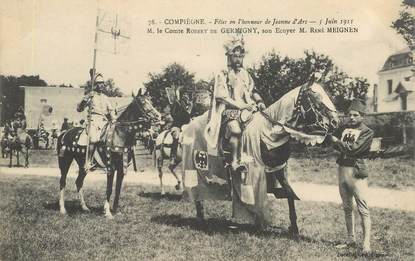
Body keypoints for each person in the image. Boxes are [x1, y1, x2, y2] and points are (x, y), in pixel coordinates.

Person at [205, 36, 265, 170]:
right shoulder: (223, 74)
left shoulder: (245, 74)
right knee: (235, 129)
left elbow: (253, 90)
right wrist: (241, 106)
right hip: (228, 110)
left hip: (248, 109)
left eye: (240, 56)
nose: (238, 59)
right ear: (229, 57)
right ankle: (234, 162)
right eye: (235, 56)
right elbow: (222, 97)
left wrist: (260, 101)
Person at [328, 99, 374, 254]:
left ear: (362, 116)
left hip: (356, 170)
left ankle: (366, 244)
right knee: (347, 207)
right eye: (350, 115)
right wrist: (336, 141)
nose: (352, 118)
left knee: (363, 208)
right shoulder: (344, 128)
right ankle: (351, 240)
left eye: (355, 115)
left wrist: (338, 142)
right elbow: (334, 142)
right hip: (342, 169)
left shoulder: (367, 131)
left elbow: (354, 149)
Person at [77, 74, 115, 168]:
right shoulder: (90, 96)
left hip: (104, 121)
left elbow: (110, 110)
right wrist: (85, 100)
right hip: (93, 121)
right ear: (95, 85)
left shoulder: (105, 97)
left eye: (102, 83)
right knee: (94, 139)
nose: (101, 85)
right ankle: (88, 161)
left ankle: (109, 161)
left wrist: (114, 119)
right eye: (99, 83)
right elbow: (79, 109)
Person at [169, 92, 192, 166]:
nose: (186, 98)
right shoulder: (177, 105)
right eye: (185, 96)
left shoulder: (189, 106)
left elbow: (189, 118)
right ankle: (172, 157)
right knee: (176, 136)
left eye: (187, 97)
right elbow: (173, 114)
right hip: (176, 126)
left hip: (186, 126)